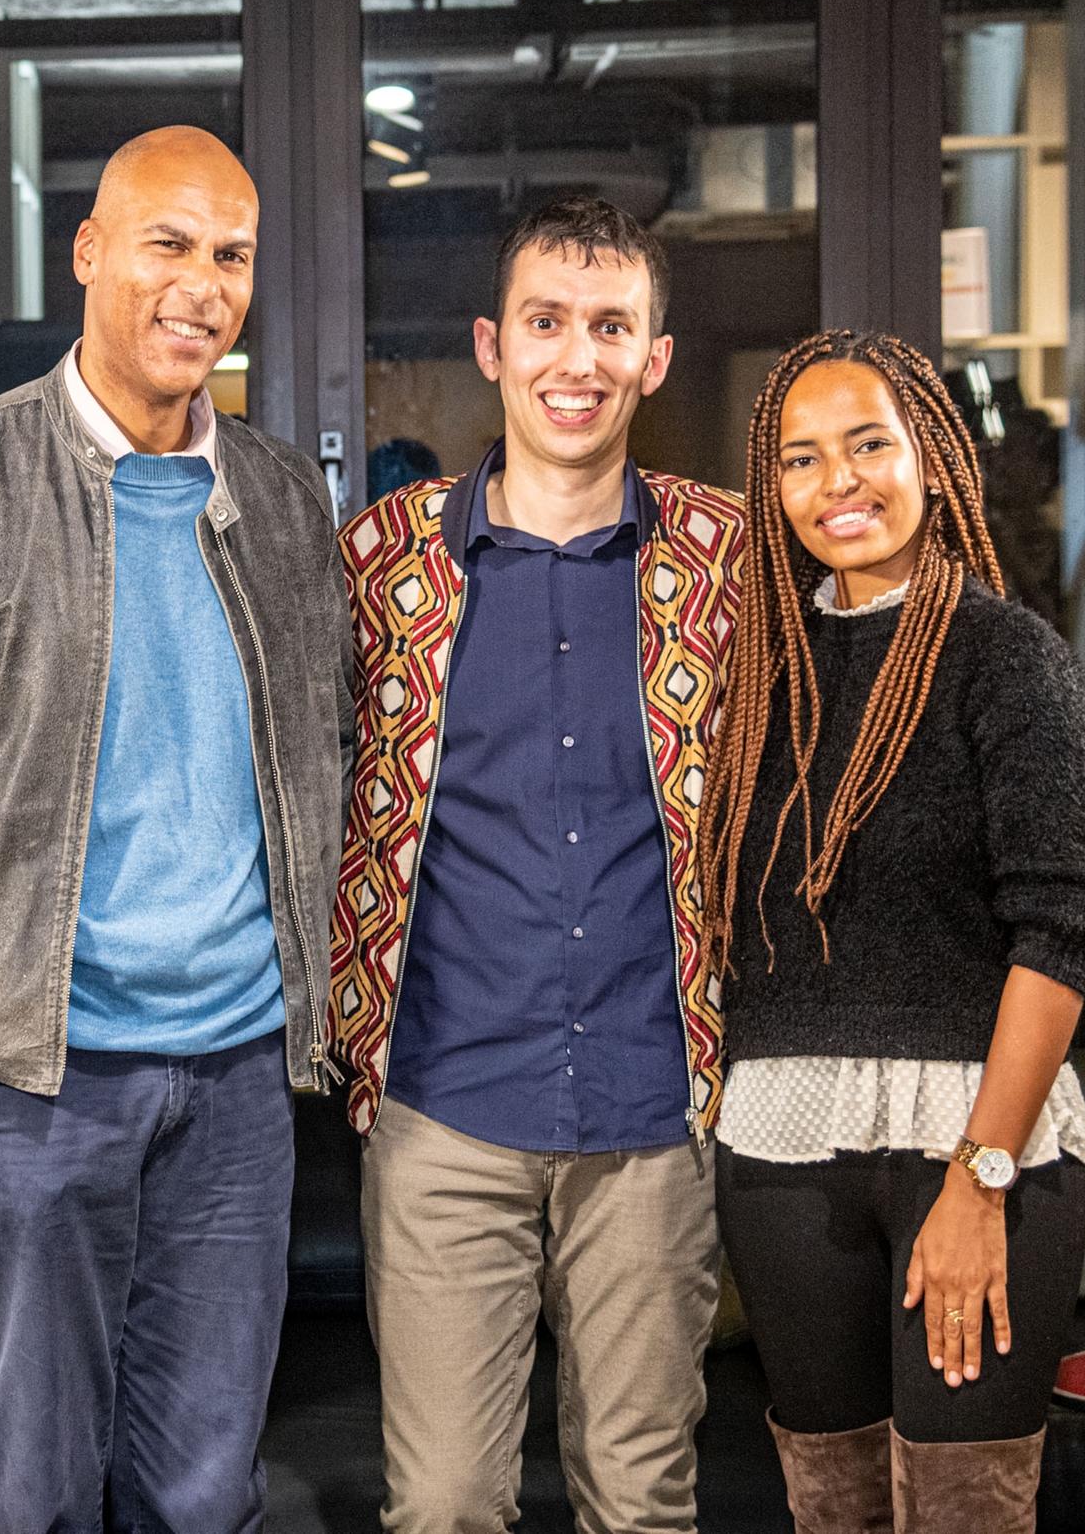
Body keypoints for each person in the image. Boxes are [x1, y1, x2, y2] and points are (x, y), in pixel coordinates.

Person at [0, 125, 350, 1532]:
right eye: (168, 243)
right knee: (34, 1490)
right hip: (30, 1085)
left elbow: (327, 769)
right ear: (90, 252)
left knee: (204, 1493)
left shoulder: (284, 502)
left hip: (238, 1083)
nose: (202, 284)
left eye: (231, 254)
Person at [332, 195, 749, 1533]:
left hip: (656, 1106)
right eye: (547, 322)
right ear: (492, 345)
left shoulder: (728, 561)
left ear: (655, 358)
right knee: (443, 1503)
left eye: (611, 327)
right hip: (442, 1102)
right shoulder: (382, 563)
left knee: (641, 1501)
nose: (578, 359)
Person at [702, 329, 1085, 1534]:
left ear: (932, 459)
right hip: (782, 1145)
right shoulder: (760, 672)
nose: (837, 481)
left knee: (961, 1511)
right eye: (800, 457)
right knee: (832, 1507)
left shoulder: (1007, 660)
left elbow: (1063, 932)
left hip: (975, 1145)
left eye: (868, 444)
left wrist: (979, 1179)